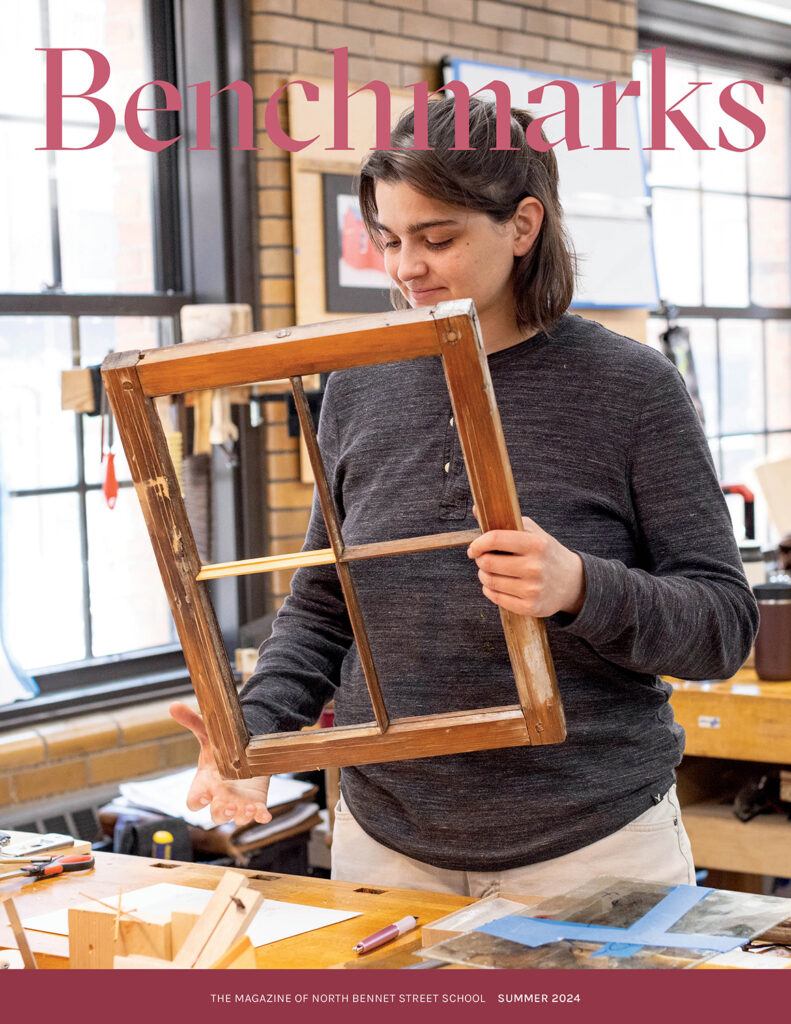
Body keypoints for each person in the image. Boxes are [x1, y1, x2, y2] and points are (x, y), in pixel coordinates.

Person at [171, 98, 757, 899]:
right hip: (387, 844)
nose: (405, 267)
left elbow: (721, 628)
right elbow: (322, 606)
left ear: (521, 226)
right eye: (389, 239)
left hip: (592, 843)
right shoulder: (357, 384)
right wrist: (255, 732)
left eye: (435, 238)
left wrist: (579, 587)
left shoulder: (631, 388)